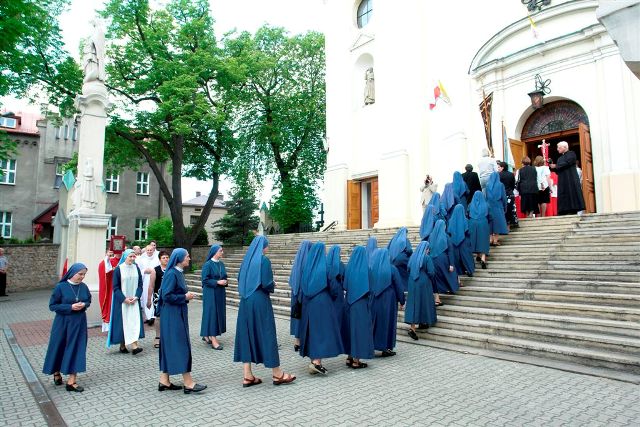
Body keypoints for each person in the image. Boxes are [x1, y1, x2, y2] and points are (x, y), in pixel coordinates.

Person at [234, 236, 296, 387]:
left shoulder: (246, 261)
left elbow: (239, 279)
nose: (268, 248)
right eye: (267, 245)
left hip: (245, 302)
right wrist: (273, 284)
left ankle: (247, 375)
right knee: (267, 333)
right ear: (263, 247)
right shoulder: (263, 260)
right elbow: (266, 283)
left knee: (247, 335)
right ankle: (277, 374)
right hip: (259, 301)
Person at [158, 248, 206, 394]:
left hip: (176, 313)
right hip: (172, 315)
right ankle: (188, 382)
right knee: (181, 345)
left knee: (171, 345)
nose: (189, 258)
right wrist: (184, 297)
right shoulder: (172, 273)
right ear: (179, 258)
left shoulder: (177, 272)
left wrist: (185, 296)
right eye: (187, 256)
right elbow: (166, 296)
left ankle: (164, 380)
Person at [42, 263, 91, 392]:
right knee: (59, 347)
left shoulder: (84, 287)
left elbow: (88, 300)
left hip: (79, 322)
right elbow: (53, 306)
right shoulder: (61, 287)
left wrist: (84, 304)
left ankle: (71, 381)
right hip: (62, 323)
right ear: (72, 273)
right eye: (80, 274)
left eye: (84, 274)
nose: (82, 277)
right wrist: (70, 307)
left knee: (77, 348)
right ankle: (56, 372)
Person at [298, 242, 344, 375]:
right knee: (321, 332)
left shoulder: (306, 268)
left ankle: (314, 360)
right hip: (322, 302)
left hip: (308, 304)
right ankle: (317, 362)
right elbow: (334, 287)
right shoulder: (326, 268)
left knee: (312, 331)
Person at [106, 249, 144, 355]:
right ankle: (123, 345)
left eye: (134, 256)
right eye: (130, 256)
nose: (132, 258)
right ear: (125, 257)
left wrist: (137, 296)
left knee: (134, 321)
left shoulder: (136, 268)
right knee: (123, 323)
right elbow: (115, 287)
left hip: (134, 300)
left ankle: (134, 346)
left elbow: (140, 284)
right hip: (122, 301)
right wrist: (124, 299)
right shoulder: (119, 269)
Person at [370, 248, 405, 357]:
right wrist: (402, 300)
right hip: (388, 300)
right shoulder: (392, 269)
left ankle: (370, 346)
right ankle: (386, 348)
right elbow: (399, 286)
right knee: (387, 322)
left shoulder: (371, 268)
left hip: (373, 299)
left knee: (373, 322)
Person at [343, 246, 374, 369]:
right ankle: (356, 361)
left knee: (350, 329)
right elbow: (371, 287)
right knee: (360, 330)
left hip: (349, 302)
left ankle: (349, 357)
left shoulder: (349, 268)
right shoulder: (366, 269)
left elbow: (345, 285)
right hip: (361, 303)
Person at [405, 241, 437, 340]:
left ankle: (413, 327)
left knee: (414, 303)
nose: (428, 251)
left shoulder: (412, 257)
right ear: (425, 249)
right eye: (428, 249)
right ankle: (424, 321)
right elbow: (431, 272)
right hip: (423, 283)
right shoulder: (427, 258)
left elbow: (408, 269)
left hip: (412, 282)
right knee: (424, 302)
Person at [200, 245, 227, 350]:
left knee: (217, 313)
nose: (222, 252)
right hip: (210, 293)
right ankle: (213, 339)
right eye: (220, 250)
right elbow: (205, 280)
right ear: (215, 252)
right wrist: (217, 282)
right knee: (212, 314)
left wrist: (225, 281)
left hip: (220, 292)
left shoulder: (221, 264)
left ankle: (206, 334)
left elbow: (224, 276)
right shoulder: (208, 265)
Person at [549, 141, 585, 215]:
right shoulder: (560, 158)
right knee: (563, 194)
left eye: (559, 147)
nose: (557, 149)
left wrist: (556, 166)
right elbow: (558, 170)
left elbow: (567, 162)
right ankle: (564, 210)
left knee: (571, 193)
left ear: (565, 147)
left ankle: (573, 209)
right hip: (562, 180)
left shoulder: (571, 154)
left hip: (571, 179)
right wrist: (552, 166)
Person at [288, 240, 312, 351]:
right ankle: (304, 340)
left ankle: (297, 341)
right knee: (303, 317)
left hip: (295, 293)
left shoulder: (297, 261)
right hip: (304, 295)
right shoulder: (309, 261)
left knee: (297, 316)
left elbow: (292, 279)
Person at [428, 220, 459, 303]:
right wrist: (451, 264)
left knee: (437, 277)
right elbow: (450, 250)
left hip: (432, 260)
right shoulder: (445, 236)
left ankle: (439, 293)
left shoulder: (431, 236)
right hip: (443, 259)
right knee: (449, 274)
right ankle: (451, 288)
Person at [326, 245, 348, 348]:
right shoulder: (341, 265)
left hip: (328, 294)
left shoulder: (326, 264)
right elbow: (345, 278)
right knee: (339, 315)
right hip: (338, 293)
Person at [448, 204, 475, 277]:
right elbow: (468, 231)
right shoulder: (466, 220)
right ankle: (469, 270)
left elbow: (449, 231)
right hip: (464, 241)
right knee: (467, 257)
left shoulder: (450, 220)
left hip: (453, 242)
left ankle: (459, 271)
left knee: (456, 257)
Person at [136, 245, 159, 325]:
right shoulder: (141, 259)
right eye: (148, 250)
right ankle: (147, 316)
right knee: (145, 297)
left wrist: (153, 271)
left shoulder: (157, 259)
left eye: (151, 250)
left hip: (154, 279)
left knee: (153, 297)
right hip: (145, 280)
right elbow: (139, 270)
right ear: (146, 251)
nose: (149, 252)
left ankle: (152, 316)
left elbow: (158, 268)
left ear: (153, 250)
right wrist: (144, 271)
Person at [98, 250, 119, 331]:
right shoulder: (110, 261)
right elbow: (104, 268)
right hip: (112, 289)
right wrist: (107, 257)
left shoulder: (128, 260)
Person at [386, 227, 413, 292]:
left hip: (392, 260)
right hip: (403, 260)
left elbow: (387, 248)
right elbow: (409, 250)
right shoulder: (405, 239)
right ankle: (406, 288)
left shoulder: (393, 239)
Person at [152, 250, 170, 348]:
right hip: (158, 297)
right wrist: (148, 299)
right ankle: (158, 337)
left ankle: (168, 336)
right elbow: (151, 285)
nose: (166, 259)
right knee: (158, 317)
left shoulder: (172, 269)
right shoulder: (156, 270)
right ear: (160, 259)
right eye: (163, 258)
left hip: (169, 296)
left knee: (169, 316)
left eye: (167, 257)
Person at [468, 191, 490, 269]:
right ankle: (483, 259)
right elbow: (490, 215)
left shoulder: (470, 205)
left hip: (472, 223)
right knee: (483, 240)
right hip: (483, 223)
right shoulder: (486, 205)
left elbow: (467, 214)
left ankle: (477, 256)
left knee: (475, 240)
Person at [486, 172, 509, 246]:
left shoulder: (487, 185)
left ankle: (490, 239)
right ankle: (495, 240)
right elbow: (504, 197)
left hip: (489, 205)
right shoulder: (500, 185)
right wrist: (505, 207)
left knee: (490, 222)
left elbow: (486, 196)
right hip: (498, 205)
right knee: (497, 222)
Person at [497, 161, 518, 230]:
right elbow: (513, 185)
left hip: (501, 194)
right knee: (511, 209)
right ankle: (512, 224)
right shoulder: (511, 174)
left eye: (499, 167)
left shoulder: (498, 175)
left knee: (503, 210)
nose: (498, 169)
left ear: (502, 167)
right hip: (509, 194)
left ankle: (504, 225)